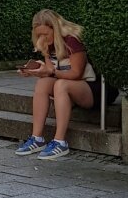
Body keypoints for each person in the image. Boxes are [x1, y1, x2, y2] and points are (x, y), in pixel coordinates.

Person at [14, 9, 97, 161]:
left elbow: (76, 73)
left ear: (55, 28)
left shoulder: (72, 40)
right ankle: (37, 138)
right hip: (70, 85)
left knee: (61, 85)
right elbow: (51, 71)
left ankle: (60, 142)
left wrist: (49, 72)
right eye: (39, 35)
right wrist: (36, 71)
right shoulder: (47, 43)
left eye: (46, 34)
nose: (42, 38)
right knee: (43, 83)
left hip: (91, 87)